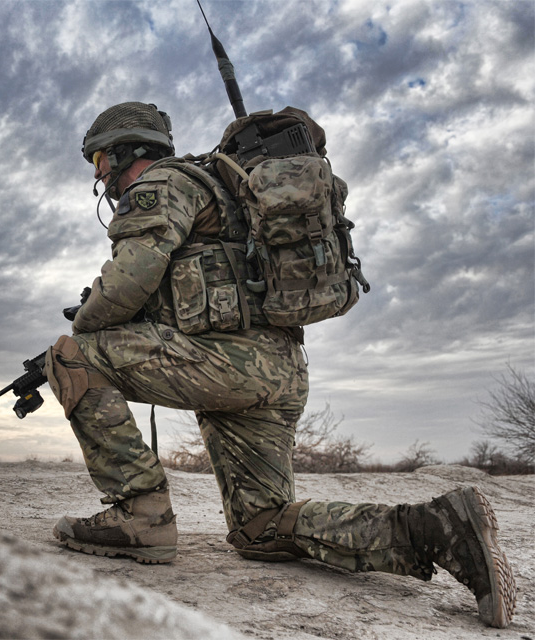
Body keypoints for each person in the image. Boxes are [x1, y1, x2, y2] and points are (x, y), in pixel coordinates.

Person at [44, 102, 516, 628]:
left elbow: (130, 278)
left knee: (71, 354)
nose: (99, 173)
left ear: (126, 150)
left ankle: (139, 514)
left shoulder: (161, 184)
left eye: (100, 159)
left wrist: (86, 327)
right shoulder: (225, 188)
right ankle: (438, 529)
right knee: (262, 526)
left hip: (226, 365)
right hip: (280, 369)